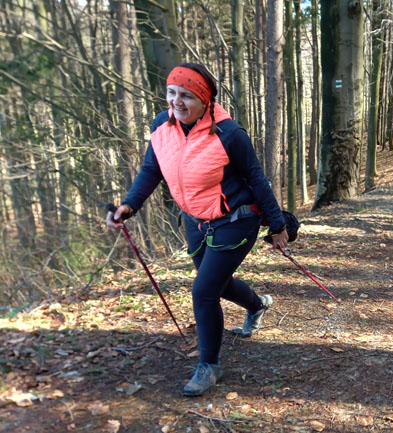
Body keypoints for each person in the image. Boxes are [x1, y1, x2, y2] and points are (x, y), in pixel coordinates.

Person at [105, 63, 289, 397]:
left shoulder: (229, 133)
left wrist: (277, 225)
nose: (177, 101)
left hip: (237, 219)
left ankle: (210, 365)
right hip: (195, 221)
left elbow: (257, 179)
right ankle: (258, 305)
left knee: (203, 291)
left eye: (187, 96)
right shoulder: (161, 125)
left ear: (205, 100)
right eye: (172, 93)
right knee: (217, 284)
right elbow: (151, 168)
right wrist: (129, 205)